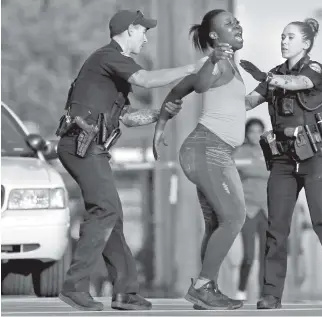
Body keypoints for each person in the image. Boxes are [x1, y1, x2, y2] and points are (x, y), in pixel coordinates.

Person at [55, 9, 196, 311]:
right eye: (144, 31)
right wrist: (192, 68)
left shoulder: (114, 68)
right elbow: (145, 79)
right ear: (130, 30)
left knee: (112, 215)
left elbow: (128, 119)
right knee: (104, 209)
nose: (146, 38)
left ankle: (125, 291)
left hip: (91, 147)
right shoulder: (109, 56)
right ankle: (75, 284)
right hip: (80, 145)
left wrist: (160, 115)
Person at [238, 18, 322, 309]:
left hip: (316, 154)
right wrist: (220, 83)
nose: (284, 41)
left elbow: (298, 83)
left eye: (290, 37)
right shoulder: (273, 74)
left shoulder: (314, 70)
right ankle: (271, 293)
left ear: (305, 43)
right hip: (283, 158)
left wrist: (269, 79)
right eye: (282, 36)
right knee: (277, 226)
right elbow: (248, 102)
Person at [153, 9, 246, 310]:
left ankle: (208, 289)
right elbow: (202, 85)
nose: (238, 25)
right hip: (207, 150)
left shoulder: (230, 63)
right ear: (215, 36)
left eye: (237, 21)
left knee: (220, 222)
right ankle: (204, 286)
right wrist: (215, 59)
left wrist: (161, 125)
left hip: (216, 152)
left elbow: (181, 88)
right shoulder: (214, 62)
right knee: (234, 218)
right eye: (229, 24)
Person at [233, 118, 269, 301]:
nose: (255, 135)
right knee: (248, 255)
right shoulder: (240, 152)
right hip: (248, 209)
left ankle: (264, 293)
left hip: (267, 210)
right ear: (246, 134)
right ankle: (241, 290)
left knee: (266, 255)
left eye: (259, 131)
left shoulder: (271, 150)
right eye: (252, 131)